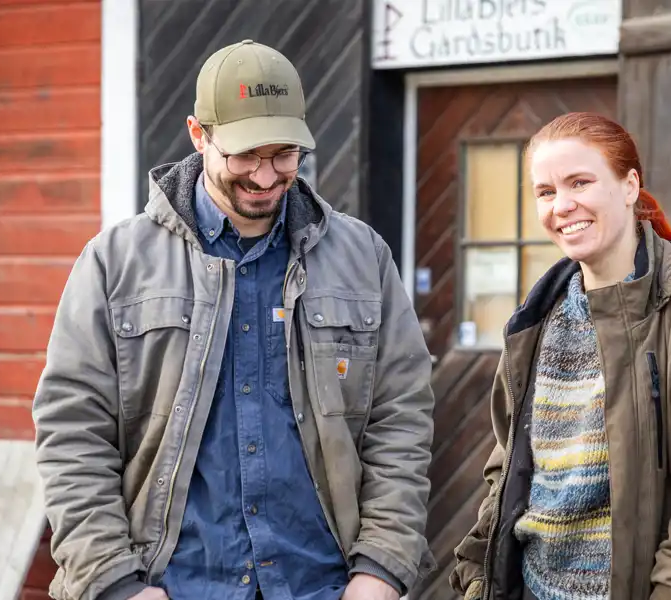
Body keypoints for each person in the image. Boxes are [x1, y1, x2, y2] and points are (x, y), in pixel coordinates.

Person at [32, 40, 435, 600]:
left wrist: (382, 568)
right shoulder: (114, 263)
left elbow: (401, 419)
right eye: (245, 155)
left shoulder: (362, 256)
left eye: (284, 154)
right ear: (199, 135)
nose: (267, 176)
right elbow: (72, 432)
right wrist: (113, 582)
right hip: (168, 585)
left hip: (323, 585)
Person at [449, 112, 671, 600]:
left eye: (579, 182)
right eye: (545, 191)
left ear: (630, 185)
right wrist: (479, 575)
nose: (562, 205)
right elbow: (509, 468)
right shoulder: (538, 318)